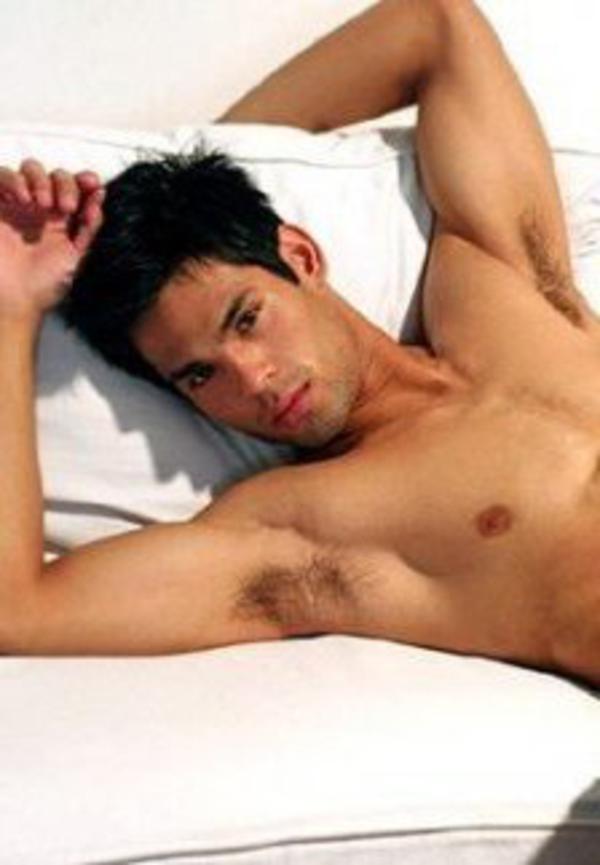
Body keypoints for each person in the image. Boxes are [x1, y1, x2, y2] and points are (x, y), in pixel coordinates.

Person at [0, 0, 598, 687]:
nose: (252, 379)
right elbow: (19, 611)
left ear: (301, 257)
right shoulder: (308, 525)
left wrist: (197, 171)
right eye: (199, 375)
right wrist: (12, 308)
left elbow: (436, 25)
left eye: (247, 319)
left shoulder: (503, 293)